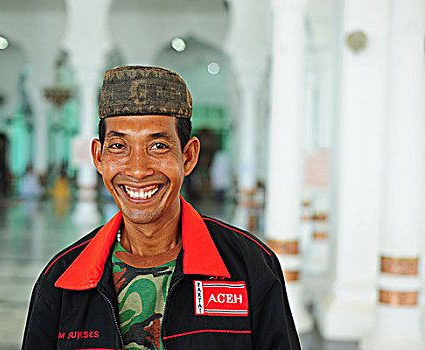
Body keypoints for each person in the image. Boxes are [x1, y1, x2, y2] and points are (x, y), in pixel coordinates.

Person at [22, 66, 300, 350]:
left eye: (158, 146)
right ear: (98, 157)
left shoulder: (249, 266)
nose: (138, 170)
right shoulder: (62, 280)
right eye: (118, 146)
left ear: (188, 156)